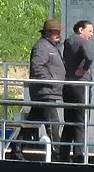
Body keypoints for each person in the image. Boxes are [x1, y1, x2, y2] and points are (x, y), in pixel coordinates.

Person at [18, 19, 65, 156]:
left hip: (47, 91)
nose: (58, 35)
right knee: (53, 123)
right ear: (49, 32)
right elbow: (37, 66)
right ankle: (58, 154)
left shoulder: (50, 47)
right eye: (56, 32)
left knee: (32, 123)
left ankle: (17, 149)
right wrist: (52, 81)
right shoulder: (42, 47)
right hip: (45, 91)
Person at [60, 19, 94, 160]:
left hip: (68, 85)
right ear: (81, 30)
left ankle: (63, 154)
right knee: (81, 121)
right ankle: (79, 155)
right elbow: (90, 57)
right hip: (81, 86)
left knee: (69, 121)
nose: (92, 34)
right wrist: (84, 69)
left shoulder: (68, 43)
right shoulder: (82, 42)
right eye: (90, 31)